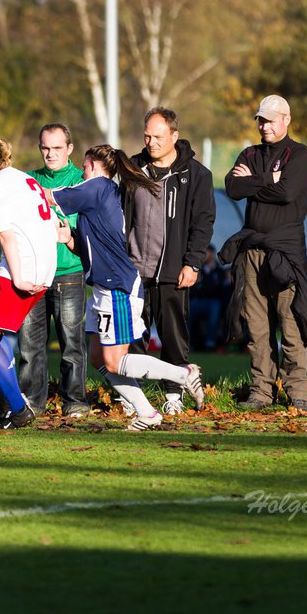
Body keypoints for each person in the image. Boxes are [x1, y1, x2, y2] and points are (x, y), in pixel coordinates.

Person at [43, 145, 205, 429]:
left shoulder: (97, 186)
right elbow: (94, 246)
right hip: (104, 287)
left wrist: (11, 184)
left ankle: (183, 374)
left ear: (93, 165)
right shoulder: (102, 193)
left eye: (83, 166)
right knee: (98, 357)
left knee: (116, 361)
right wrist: (69, 238)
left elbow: (46, 194)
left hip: (116, 286)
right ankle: (148, 413)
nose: (81, 172)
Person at [221, 94, 307, 412]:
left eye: (269, 120)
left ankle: (297, 392)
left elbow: (288, 193)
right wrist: (268, 179)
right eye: (260, 120)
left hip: (286, 252)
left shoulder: (301, 155)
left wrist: (254, 182)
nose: (264, 125)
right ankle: (261, 390)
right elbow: (232, 188)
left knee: (291, 322)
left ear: (286, 120)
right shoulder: (250, 153)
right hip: (251, 251)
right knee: (257, 327)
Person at [125, 107, 215, 414]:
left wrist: (192, 263)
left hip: (173, 271)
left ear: (174, 136)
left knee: (173, 337)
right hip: (134, 270)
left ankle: (174, 395)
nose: (150, 142)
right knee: (133, 337)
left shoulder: (197, 175)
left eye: (157, 136)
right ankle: (133, 397)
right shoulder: (133, 168)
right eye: (147, 136)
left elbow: (202, 223)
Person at [0, 137, 58, 429]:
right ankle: (13, 402)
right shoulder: (22, 177)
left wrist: (17, 277)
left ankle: (18, 408)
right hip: (45, 266)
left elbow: (5, 236)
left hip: (22, 267)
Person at [16, 123, 89, 417]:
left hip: (69, 272)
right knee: (29, 343)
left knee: (71, 342)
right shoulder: (29, 181)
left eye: (57, 148)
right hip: (34, 274)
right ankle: (31, 401)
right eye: (45, 148)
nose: (50, 153)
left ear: (69, 149)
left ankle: (75, 400)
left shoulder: (83, 180)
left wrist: (69, 233)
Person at [190, 244, 233, 351]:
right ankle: (187, 342)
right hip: (198, 302)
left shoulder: (220, 272)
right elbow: (195, 290)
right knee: (189, 307)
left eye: (207, 252)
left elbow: (222, 291)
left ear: (212, 254)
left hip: (214, 303)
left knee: (215, 306)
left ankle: (210, 342)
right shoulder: (198, 270)